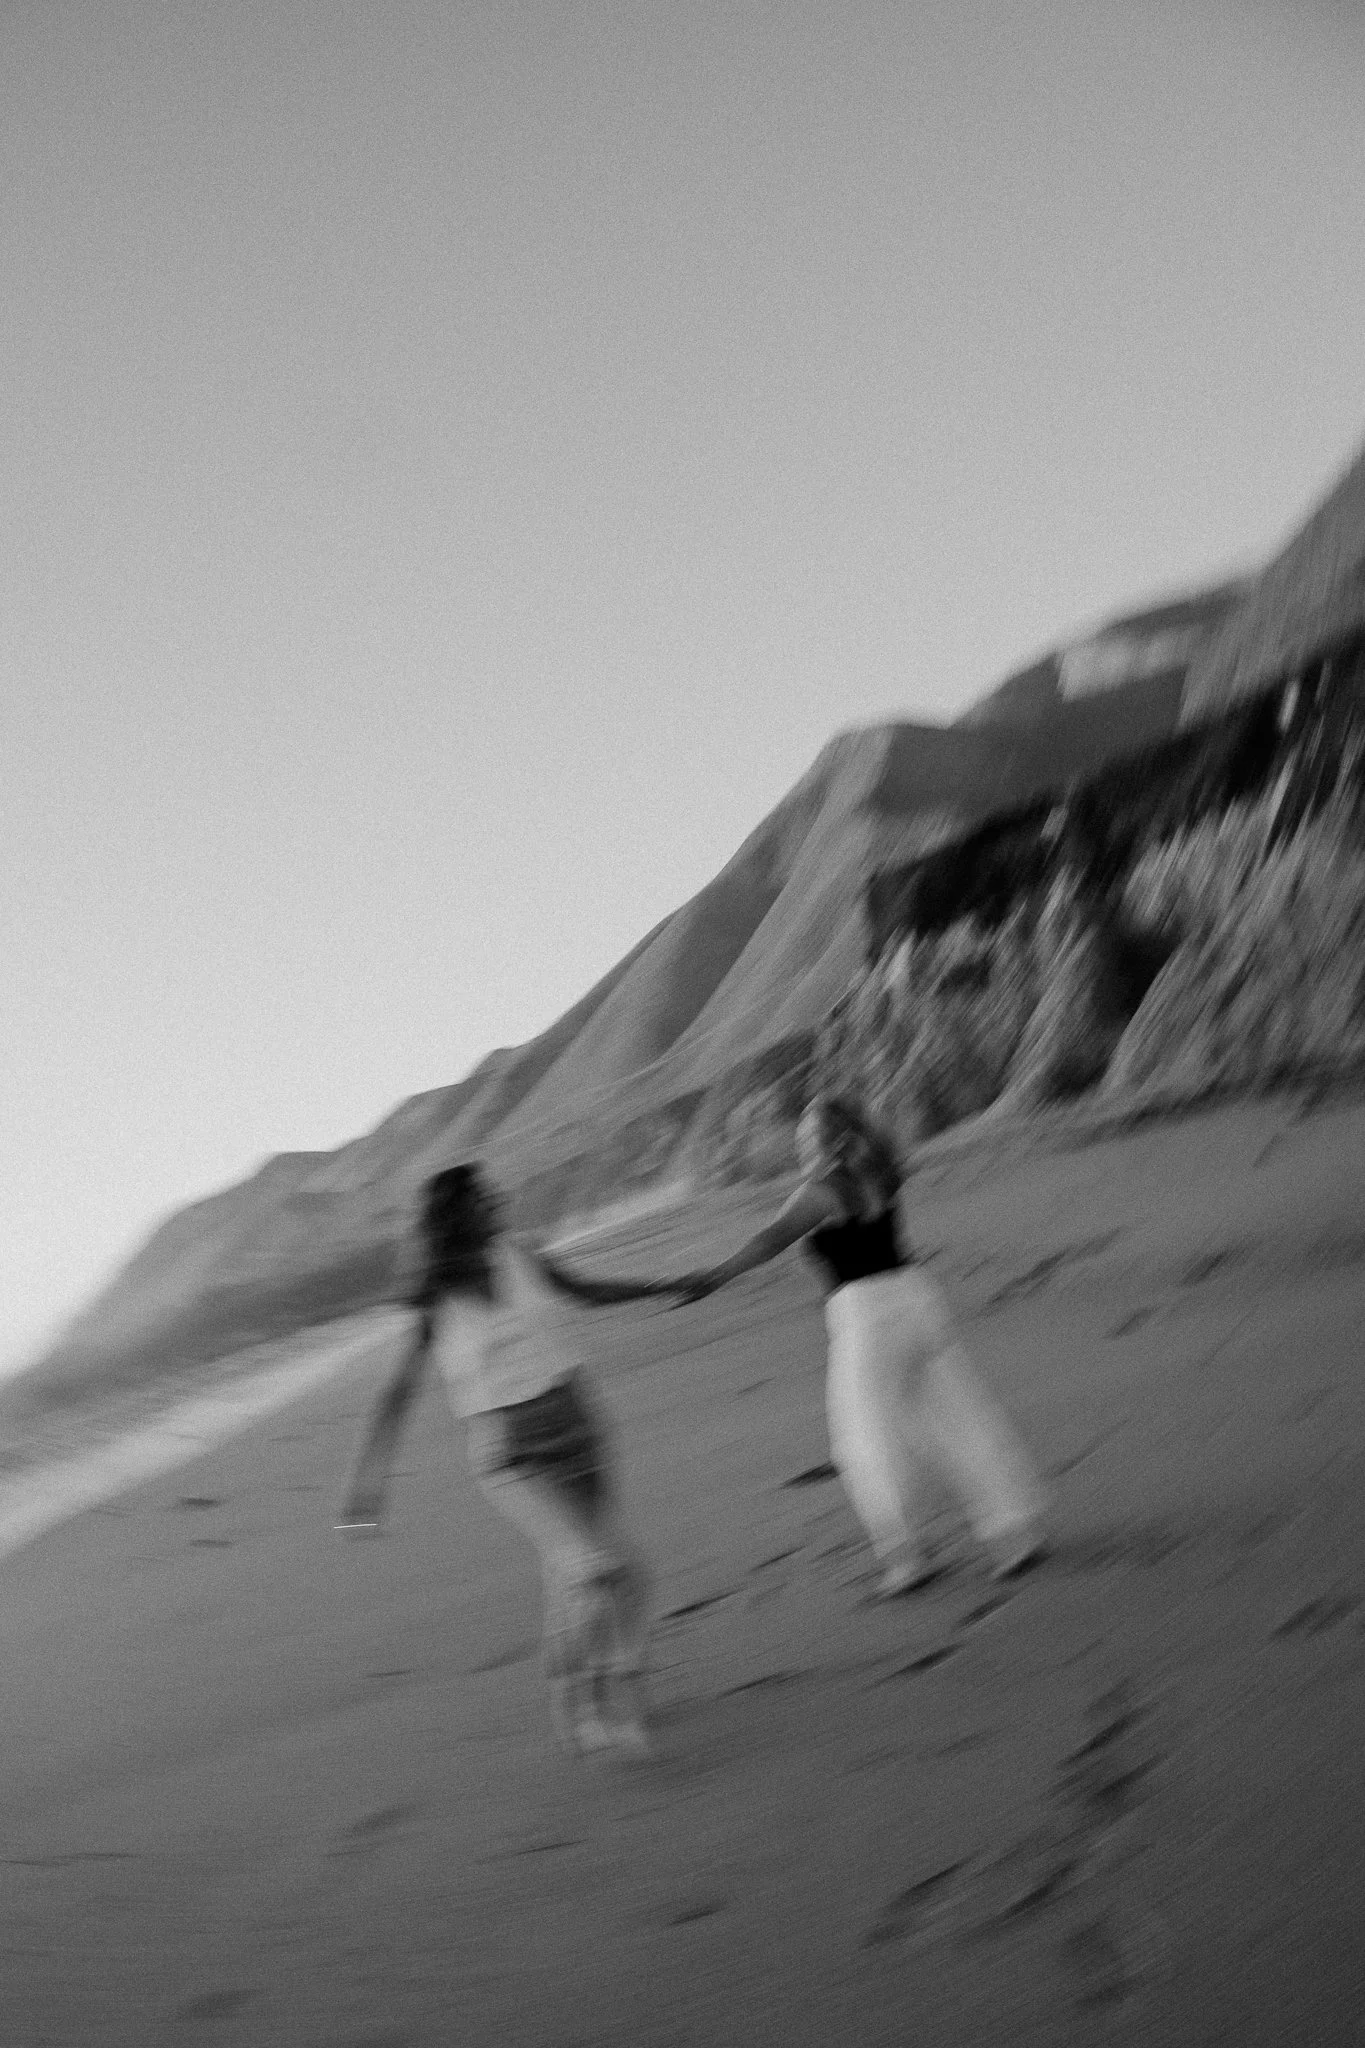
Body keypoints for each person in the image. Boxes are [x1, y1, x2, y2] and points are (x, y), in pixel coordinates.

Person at [337, 1163, 668, 1758]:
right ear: (457, 1215)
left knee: (588, 1574)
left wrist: (671, 1285)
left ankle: (580, 1696)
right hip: (510, 1451)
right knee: (596, 1570)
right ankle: (607, 1701)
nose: (498, 1201)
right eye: (484, 1198)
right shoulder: (435, 1301)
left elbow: (588, 1290)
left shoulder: (520, 1255)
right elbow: (395, 1393)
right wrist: (366, 1487)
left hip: (578, 1424)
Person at [674, 1093, 1046, 1597]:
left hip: (867, 1316)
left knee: (865, 1437)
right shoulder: (882, 1174)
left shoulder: (821, 1190)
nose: (800, 1143)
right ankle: (1013, 1531)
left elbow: (772, 1237)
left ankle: (905, 1558)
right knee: (958, 1414)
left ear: (826, 1140)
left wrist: (715, 1276)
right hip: (916, 1299)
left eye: (807, 1135)